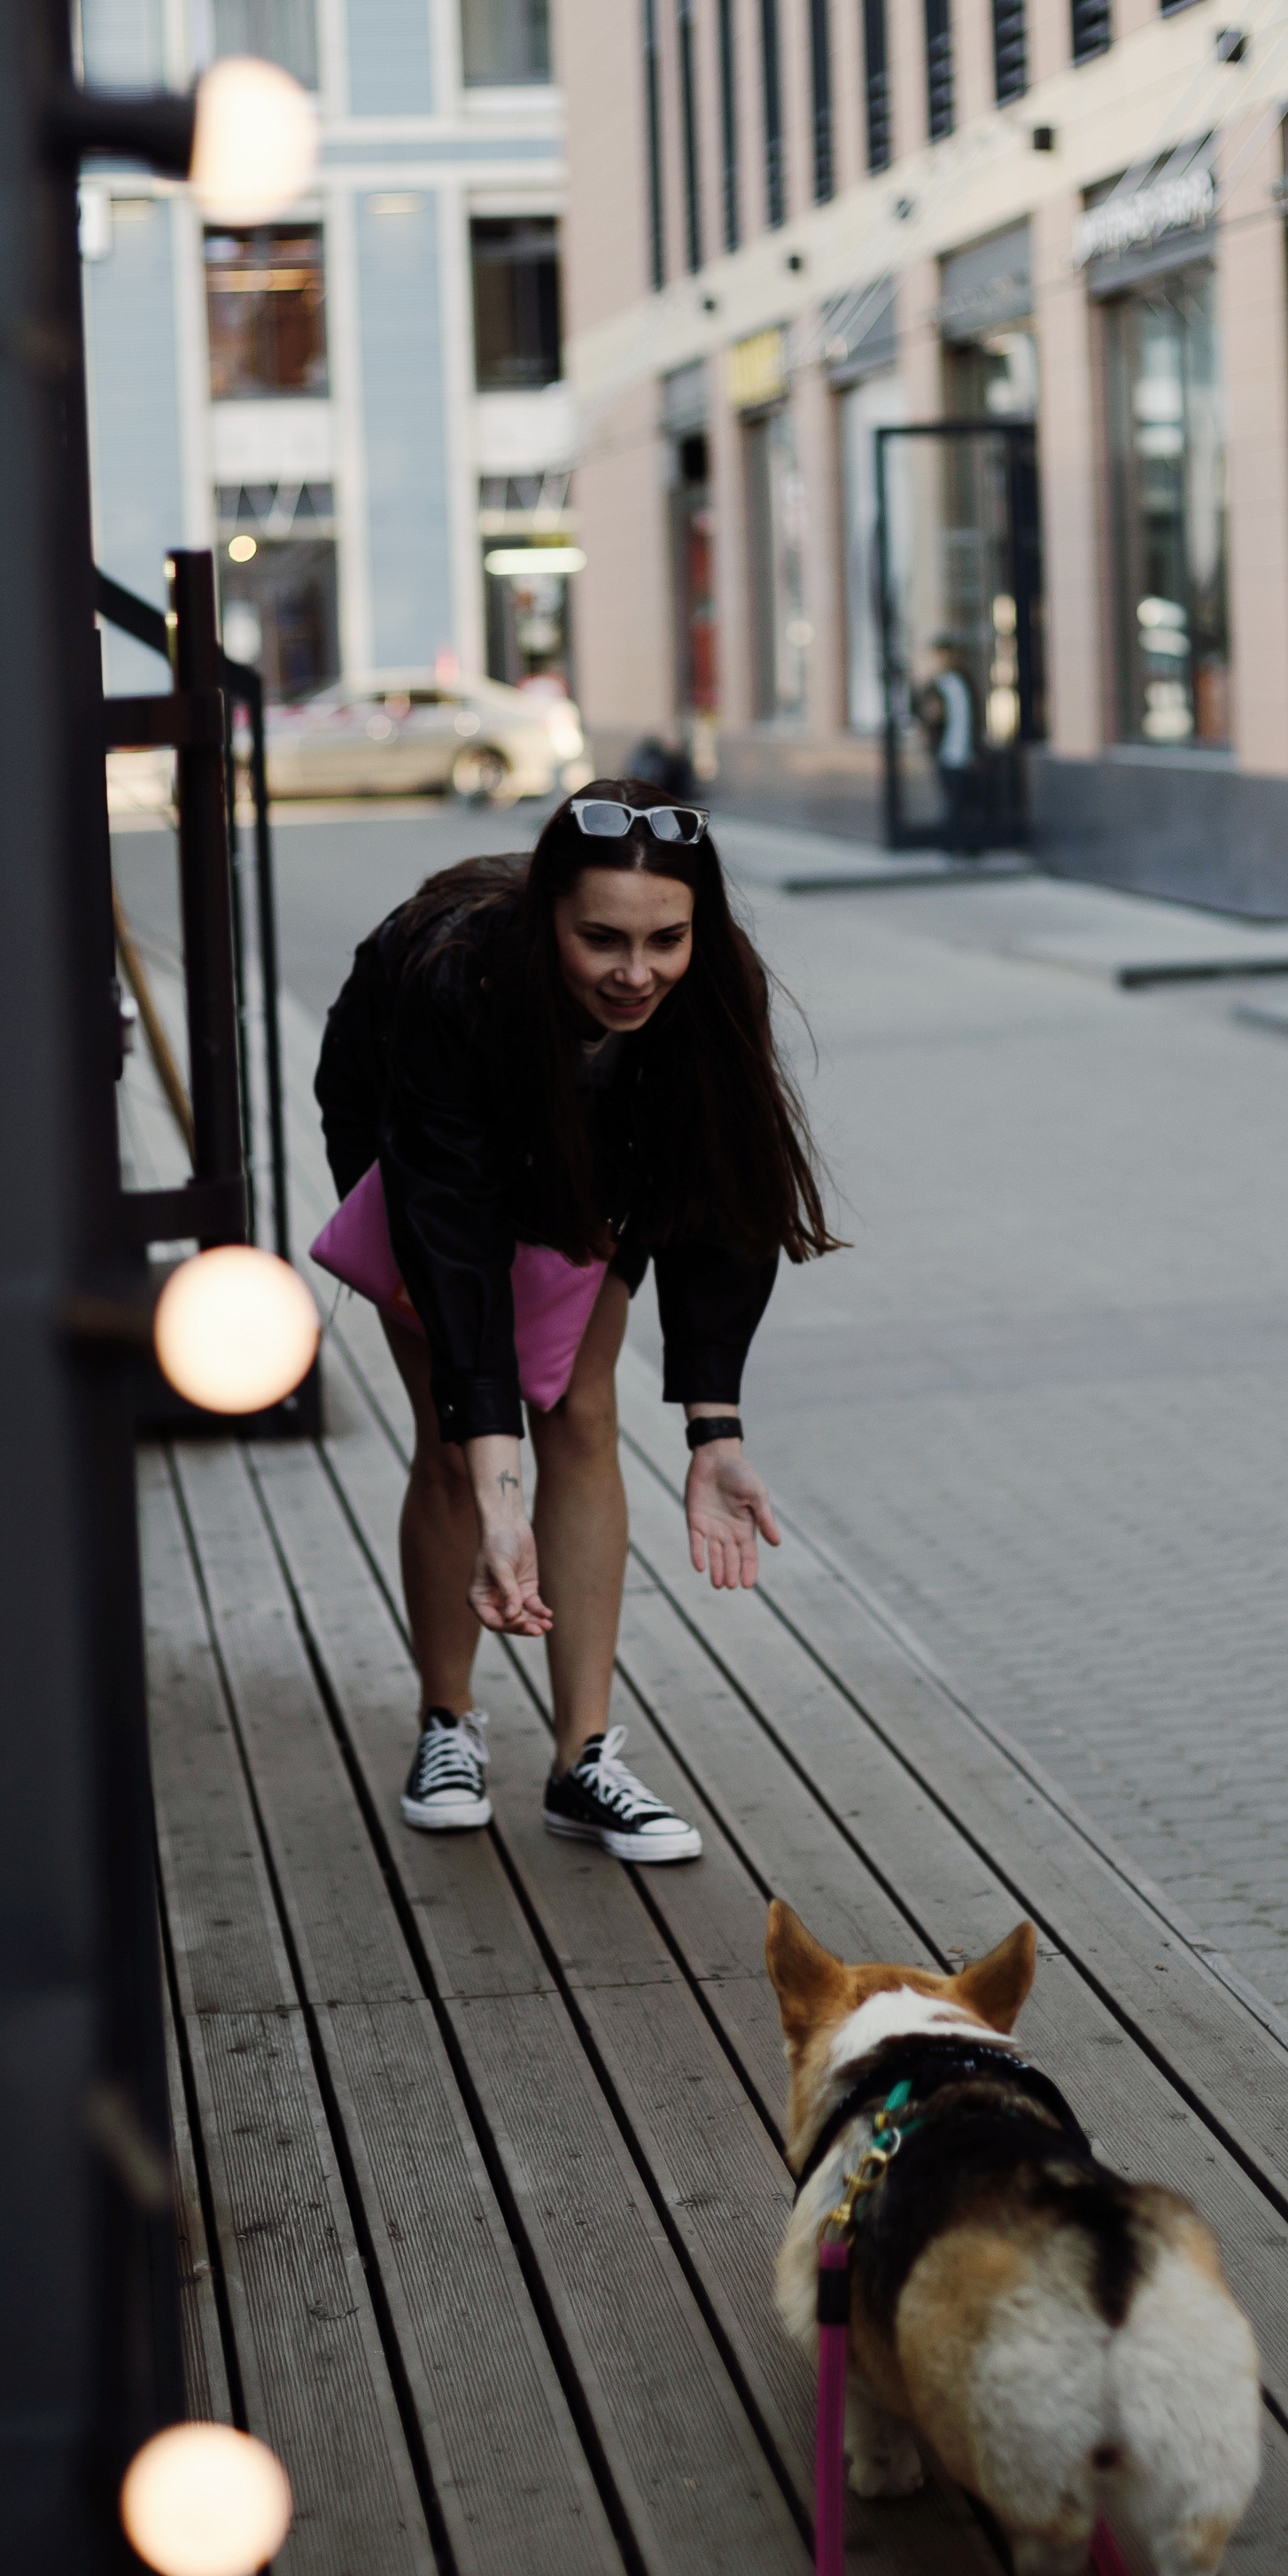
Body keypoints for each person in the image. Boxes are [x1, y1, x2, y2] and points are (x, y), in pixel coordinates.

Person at [314, 782, 842, 1859]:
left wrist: (714, 1430)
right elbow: (452, 1240)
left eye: (665, 940)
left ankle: (581, 1761)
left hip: (595, 1156)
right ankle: (447, 1722)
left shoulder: (710, 991)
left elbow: (722, 1199)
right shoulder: (455, 977)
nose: (634, 972)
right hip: (420, 1139)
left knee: (584, 1410)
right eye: (600, 937)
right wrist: (496, 1490)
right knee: (456, 1437)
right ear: (545, 914)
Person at [917, 636, 980, 849]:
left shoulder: (965, 681)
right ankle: (953, 846)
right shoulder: (933, 686)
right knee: (952, 801)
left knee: (971, 802)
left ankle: (970, 846)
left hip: (968, 752)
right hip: (945, 752)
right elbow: (923, 717)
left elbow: (976, 717)